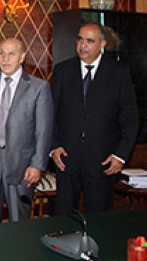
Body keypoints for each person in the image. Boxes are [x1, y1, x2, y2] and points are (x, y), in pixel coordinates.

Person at [51, 22, 138, 214]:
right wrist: (54, 146)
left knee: (99, 221)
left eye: (90, 41)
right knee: (63, 220)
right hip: (66, 160)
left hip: (102, 161)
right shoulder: (63, 71)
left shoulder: (118, 73)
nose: (83, 45)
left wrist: (120, 155)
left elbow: (130, 118)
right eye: (80, 39)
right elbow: (51, 113)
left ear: (102, 44)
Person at [0, 38, 53, 224]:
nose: (5, 58)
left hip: (23, 163)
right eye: (1, 53)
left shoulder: (38, 88)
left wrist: (37, 165)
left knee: (19, 219)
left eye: (11, 53)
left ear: (22, 57)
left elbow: (44, 130)